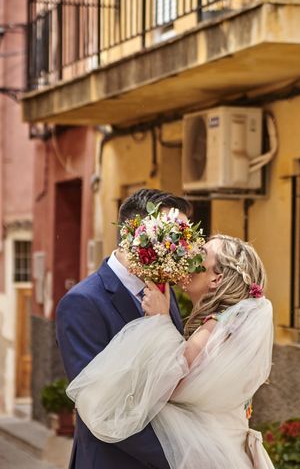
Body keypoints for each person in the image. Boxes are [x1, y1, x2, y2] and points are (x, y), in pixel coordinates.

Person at [67, 235, 275, 469]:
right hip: (223, 446)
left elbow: (173, 384)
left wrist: (160, 321)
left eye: (200, 256)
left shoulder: (215, 326)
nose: (187, 258)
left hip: (206, 452)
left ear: (217, 278)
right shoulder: (232, 325)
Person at [55, 189, 192, 469]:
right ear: (135, 236)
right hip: (113, 460)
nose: (178, 250)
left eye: (180, 240)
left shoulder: (164, 291)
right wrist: (178, 455)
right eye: (171, 237)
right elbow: (100, 405)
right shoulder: (83, 302)